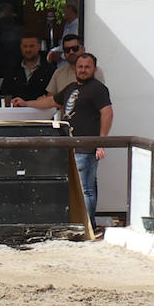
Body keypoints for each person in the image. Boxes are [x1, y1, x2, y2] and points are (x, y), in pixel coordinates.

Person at [26, 52, 112, 222]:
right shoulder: (71, 87)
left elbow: (107, 113)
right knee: (81, 187)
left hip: (85, 148)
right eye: (80, 67)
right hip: (70, 146)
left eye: (87, 67)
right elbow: (51, 101)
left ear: (94, 69)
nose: (83, 70)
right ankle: (85, 224)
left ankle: (87, 225)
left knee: (85, 189)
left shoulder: (98, 89)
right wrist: (25, 103)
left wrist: (101, 142)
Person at [2, 34, 55, 105]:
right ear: (20, 47)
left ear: (39, 46)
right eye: (25, 46)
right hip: (17, 110)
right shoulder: (12, 69)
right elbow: (4, 94)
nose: (28, 49)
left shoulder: (50, 69)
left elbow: (55, 96)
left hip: (41, 110)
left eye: (31, 46)